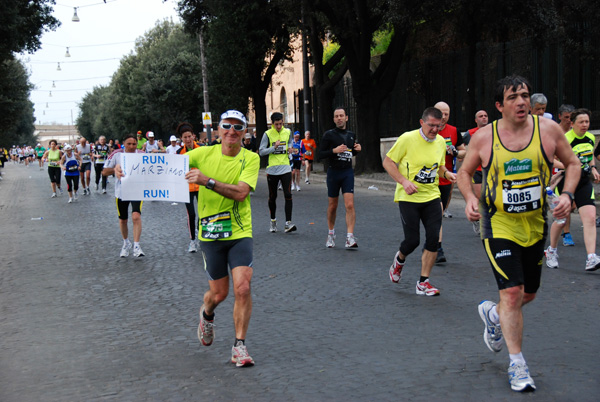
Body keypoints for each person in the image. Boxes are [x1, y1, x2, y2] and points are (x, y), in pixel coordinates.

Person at [457, 75, 580, 392]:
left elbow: (573, 163)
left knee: (529, 294)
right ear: (499, 106)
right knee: (512, 292)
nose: (522, 101)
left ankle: (494, 315)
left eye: (525, 95)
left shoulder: (549, 131)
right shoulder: (485, 138)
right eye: (513, 97)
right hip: (497, 223)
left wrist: (566, 195)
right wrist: (471, 198)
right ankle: (518, 365)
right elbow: (465, 172)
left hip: (535, 223)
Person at [185, 110, 260, 368]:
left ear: (244, 132)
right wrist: (125, 170)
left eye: (238, 127)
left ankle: (240, 346)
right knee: (218, 294)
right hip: (210, 234)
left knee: (243, 288)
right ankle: (207, 314)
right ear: (217, 130)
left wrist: (207, 181)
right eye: (226, 126)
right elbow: (164, 167)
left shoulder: (250, 159)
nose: (231, 131)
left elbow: (240, 193)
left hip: (239, 232)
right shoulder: (202, 154)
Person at [384, 107, 456, 296]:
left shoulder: (440, 141)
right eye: (431, 125)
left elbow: (439, 166)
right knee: (412, 241)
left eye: (438, 126)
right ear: (421, 122)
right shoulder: (407, 139)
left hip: (432, 196)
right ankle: (399, 261)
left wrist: (447, 173)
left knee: (433, 239)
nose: (434, 130)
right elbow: (388, 162)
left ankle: (423, 282)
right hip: (409, 197)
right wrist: (404, 181)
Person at [545, 108, 600, 272]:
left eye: (587, 122)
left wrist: (594, 169)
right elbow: (551, 160)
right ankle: (551, 251)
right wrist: (570, 166)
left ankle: (591, 257)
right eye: (581, 122)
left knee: (590, 217)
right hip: (566, 182)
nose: (585, 125)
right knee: (561, 220)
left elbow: (589, 158)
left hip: (583, 182)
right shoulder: (564, 139)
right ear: (572, 123)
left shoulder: (590, 138)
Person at [318, 107, 361, 248]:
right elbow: (320, 153)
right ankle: (331, 234)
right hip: (333, 173)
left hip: (347, 172)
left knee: (349, 204)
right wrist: (333, 151)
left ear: (346, 118)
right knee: (333, 206)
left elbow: (350, 152)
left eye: (341, 115)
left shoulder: (351, 134)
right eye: (336, 116)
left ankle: (350, 237)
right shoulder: (329, 135)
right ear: (334, 119)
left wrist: (357, 150)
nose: (339, 118)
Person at [103, 133, 146, 258]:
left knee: (136, 216)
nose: (132, 146)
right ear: (124, 144)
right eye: (129, 144)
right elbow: (104, 171)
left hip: (137, 190)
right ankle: (126, 242)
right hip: (121, 191)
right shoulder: (117, 154)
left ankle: (137, 245)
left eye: (134, 144)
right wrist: (115, 169)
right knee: (123, 219)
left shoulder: (142, 155)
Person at [434, 101, 466, 263]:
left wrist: (455, 152)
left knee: (437, 214)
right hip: (429, 180)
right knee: (437, 213)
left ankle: (432, 242)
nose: (444, 117)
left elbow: (463, 151)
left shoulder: (454, 131)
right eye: (441, 113)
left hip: (446, 180)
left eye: (447, 114)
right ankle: (437, 248)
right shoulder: (427, 129)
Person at [259, 112, 296, 233]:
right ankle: (273, 221)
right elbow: (261, 151)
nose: (279, 126)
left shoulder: (288, 132)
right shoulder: (267, 134)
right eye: (276, 124)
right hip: (272, 169)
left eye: (280, 124)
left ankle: (288, 223)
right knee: (272, 196)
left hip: (285, 168)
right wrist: (273, 148)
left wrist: (290, 148)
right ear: (272, 123)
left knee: (288, 194)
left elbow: (290, 142)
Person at [176, 123, 202, 253]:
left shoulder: (201, 149)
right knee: (191, 214)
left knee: (202, 213)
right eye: (185, 137)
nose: (187, 139)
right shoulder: (179, 152)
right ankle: (192, 241)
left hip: (201, 185)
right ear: (181, 139)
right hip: (187, 188)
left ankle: (201, 235)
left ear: (193, 136)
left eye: (189, 136)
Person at [554, 104, 576, 246]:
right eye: (566, 117)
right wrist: (563, 164)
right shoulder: (555, 132)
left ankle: (561, 228)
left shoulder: (576, 132)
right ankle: (566, 234)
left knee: (572, 205)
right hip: (557, 174)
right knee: (565, 204)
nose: (569, 120)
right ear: (560, 116)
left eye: (571, 118)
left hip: (573, 172)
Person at [465, 110, 489, 234]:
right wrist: (462, 154)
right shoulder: (470, 133)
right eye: (481, 116)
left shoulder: (493, 131)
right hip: (477, 170)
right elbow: (460, 145)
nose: (484, 118)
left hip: (490, 168)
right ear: (476, 120)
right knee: (481, 197)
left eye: (485, 116)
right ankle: (480, 221)